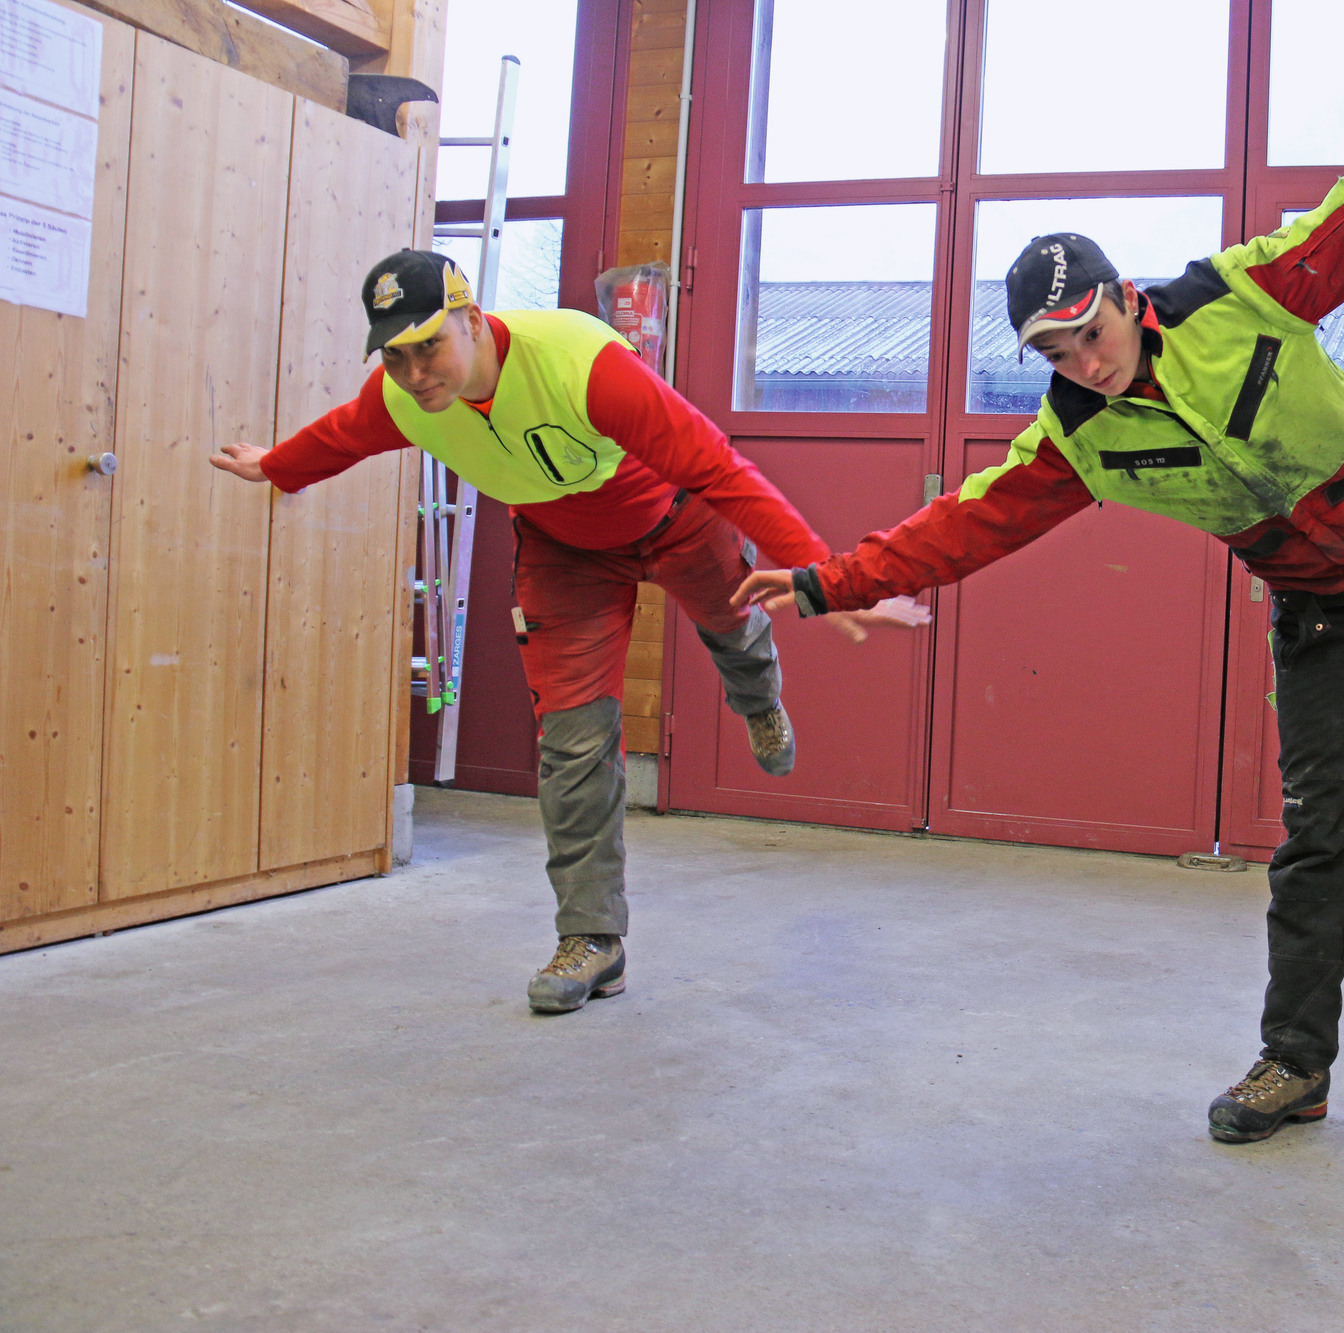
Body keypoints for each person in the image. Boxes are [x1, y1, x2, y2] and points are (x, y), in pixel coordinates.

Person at [736, 0, 1344, 1141]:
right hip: (1314, 607)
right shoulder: (1074, 440)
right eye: (1055, 354)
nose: (1085, 367)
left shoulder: (1245, 293)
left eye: (1090, 334)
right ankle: (1294, 1065)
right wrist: (822, 584)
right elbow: (960, 528)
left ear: (1126, 302)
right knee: (1315, 832)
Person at [211, 249, 922, 1014]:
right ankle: (594, 939)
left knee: (733, 619)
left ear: (475, 322)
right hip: (564, 549)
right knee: (573, 742)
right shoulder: (401, 401)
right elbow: (342, 435)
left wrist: (826, 576)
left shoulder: (582, 364)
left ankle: (757, 699)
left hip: (674, 516)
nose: (416, 372)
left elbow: (721, 468)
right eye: (396, 354)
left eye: (430, 346)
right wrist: (277, 467)